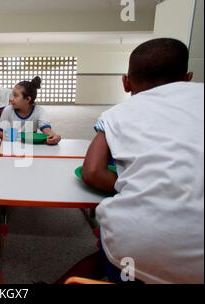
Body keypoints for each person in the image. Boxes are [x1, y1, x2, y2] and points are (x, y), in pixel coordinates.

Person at [60, 38, 204, 284]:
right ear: (188, 77)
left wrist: (137, 180)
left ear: (126, 82)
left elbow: (92, 172)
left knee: (115, 256)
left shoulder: (116, 114)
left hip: (136, 252)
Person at [0, 76, 61, 145]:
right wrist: (20, 137)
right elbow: (0, 133)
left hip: (31, 147)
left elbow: (47, 130)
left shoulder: (39, 111)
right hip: (12, 147)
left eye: (15, 96)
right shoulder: (8, 110)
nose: (11, 99)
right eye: (12, 95)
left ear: (28, 99)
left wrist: (55, 137)